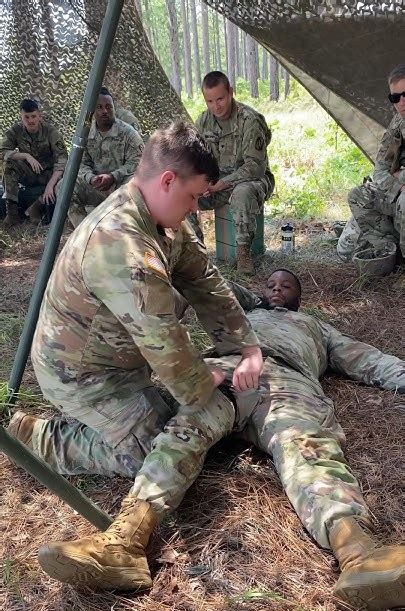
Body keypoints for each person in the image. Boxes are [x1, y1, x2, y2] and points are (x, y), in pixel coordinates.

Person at [15, 269, 405, 611]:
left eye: (286, 286)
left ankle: (358, 551)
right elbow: (205, 283)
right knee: (177, 435)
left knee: (305, 445)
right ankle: (124, 540)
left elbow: (368, 360)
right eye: (270, 283)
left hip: (283, 382)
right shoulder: (244, 313)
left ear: (299, 297)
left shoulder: (316, 327)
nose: (276, 289)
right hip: (221, 373)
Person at [8, 119, 264, 580]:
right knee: (156, 447)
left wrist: (246, 346)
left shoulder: (159, 219)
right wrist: (205, 381)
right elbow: (165, 345)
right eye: (192, 198)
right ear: (167, 181)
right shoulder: (121, 244)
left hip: (119, 360)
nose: (193, 210)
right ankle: (42, 437)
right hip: (81, 376)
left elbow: (203, 279)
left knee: (179, 433)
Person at [189, 71, 275, 275]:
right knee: (184, 194)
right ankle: (196, 252)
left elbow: (255, 167)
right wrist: (203, 183)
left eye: (220, 98)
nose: (216, 106)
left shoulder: (249, 119)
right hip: (218, 183)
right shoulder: (203, 121)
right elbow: (196, 161)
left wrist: (223, 183)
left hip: (254, 180)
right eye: (210, 101)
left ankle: (243, 254)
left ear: (231, 93)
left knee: (242, 193)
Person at [338, 63, 405, 263]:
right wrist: (399, 185)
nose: (401, 102)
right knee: (359, 196)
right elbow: (380, 170)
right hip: (399, 191)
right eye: (395, 97)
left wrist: (400, 176)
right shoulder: (398, 122)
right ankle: (390, 252)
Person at [67, 87, 144, 228]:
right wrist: (91, 178)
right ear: (93, 111)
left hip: (121, 186)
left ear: (114, 108)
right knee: (64, 186)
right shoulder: (85, 134)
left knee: (137, 184)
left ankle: (127, 228)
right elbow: (81, 163)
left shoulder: (128, 133)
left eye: (109, 107)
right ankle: (85, 231)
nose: (104, 111)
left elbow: (137, 162)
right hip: (97, 187)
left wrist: (113, 176)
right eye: (99, 107)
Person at [0, 98, 68, 227]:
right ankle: (12, 214)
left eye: (33, 116)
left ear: (39, 116)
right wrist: (25, 156)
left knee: (66, 176)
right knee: (9, 165)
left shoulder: (51, 132)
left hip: (49, 174)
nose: (30, 121)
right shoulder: (16, 130)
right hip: (29, 173)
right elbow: (2, 151)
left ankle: (36, 207)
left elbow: (62, 159)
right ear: (21, 116)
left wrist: (50, 186)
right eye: (26, 117)